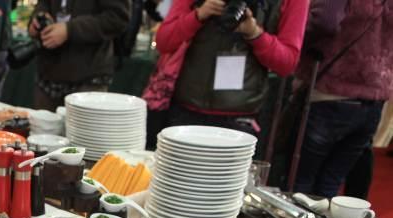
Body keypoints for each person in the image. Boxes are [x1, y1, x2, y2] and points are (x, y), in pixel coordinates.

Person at [155, 0, 309, 137]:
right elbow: (164, 41)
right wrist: (198, 15)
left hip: (240, 119)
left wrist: (255, 34)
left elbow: (287, 63)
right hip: (185, 110)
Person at [291, 0, 393, 198]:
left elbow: (324, 21)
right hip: (374, 97)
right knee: (330, 183)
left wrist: (293, 39)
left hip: (330, 90)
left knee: (300, 183)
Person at [27, 0, 131, 110]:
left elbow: (118, 18)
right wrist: (37, 20)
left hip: (88, 77)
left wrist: (70, 30)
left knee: (84, 121)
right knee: (42, 120)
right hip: (48, 75)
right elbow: (43, 5)